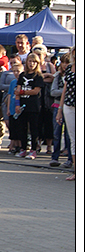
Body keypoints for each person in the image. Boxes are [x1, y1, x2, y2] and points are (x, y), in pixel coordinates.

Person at [14, 53, 44, 160]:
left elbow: (35, 91)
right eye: (30, 61)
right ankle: (23, 148)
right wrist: (17, 104)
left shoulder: (38, 76)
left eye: (34, 62)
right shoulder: (22, 75)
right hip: (22, 105)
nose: (31, 64)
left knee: (33, 128)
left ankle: (34, 149)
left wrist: (23, 92)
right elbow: (17, 91)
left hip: (33, 106)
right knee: (22, 128)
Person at [55, 47, 75, 180]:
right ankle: (76, 171)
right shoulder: (69, 68)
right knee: (73, 139)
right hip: (69, 104)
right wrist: (60, 109)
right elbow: (65, 90)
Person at [49, 54, 72, 168]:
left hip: (69, 105)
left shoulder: (72, 75)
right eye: (63, 62)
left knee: (69, 134)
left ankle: (70, 159)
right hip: (58, 105)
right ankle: (55, 157)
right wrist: (64, 91)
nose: (65, 65)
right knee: (56, 133)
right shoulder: (58, 76)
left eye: (67, 63)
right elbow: (53, 92)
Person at [5, 61, 24, 154]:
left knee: (19, 128)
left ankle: (20, 146)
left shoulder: (23, 82)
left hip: (19, 108)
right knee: (13, 128)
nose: (16, 73)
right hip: (12, 108)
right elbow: (9, 95)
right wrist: (8, 108)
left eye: (18, 71)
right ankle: (15, 145)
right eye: (14, 71)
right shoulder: (13, 82)